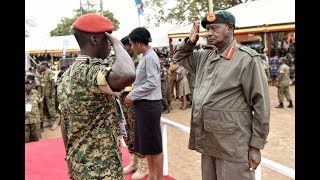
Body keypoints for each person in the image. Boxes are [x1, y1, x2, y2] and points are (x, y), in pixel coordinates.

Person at [173, 10, 270, 180]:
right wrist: (189, 42)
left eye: (214, 28)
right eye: (207, 29)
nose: (209, 33)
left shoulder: (246, 59)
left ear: (230, 28)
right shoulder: (206, 56)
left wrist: (256, 145)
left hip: (233, 146)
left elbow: (261, 104)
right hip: (209, 141)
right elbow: (180, 57)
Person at [57, 13, 136, 180]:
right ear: (94, 40)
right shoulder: (90, 71)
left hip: (79, 162)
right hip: (101, 169)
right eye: (107, 39)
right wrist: (118, 44)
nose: (109, 44)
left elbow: (64, 122)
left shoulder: (66, 75)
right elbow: (127, 73)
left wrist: (70, 160)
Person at [124, 27, 164, 180]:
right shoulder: (146, 57)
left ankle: (158, 177)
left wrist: (133, 94)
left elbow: (152, 83)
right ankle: (152, 176)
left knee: (154, 146)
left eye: (132, 44)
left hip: (149, 105)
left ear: (139, 43)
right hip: (144, 105)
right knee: (148, 146)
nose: (132, 47)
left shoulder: (150, 57)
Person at [119, 35, 149, 179]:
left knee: (138, 133)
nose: (124, 50)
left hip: (136, 102)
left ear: (131, 46)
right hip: (124, 101)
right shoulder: (123, 62)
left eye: (126, 46)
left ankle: (144, 165)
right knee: (128, 132)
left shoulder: (140, 62)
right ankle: (134, 161)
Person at [39, 61, 58, 130]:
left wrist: (52, 91)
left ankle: (54, 122)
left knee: (51, 108)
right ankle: (49, 121)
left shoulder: (49, 71)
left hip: (49, 94)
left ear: (44, 65)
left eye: (41, 65)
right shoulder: (43, 73)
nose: (40, 67)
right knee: (45, 108)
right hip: (44, 94)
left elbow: (53, 82)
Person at [25, 75, 43, 143]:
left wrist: (40, 119)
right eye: (26, 83)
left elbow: (40, 105)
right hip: (25, 122)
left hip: (35, 121)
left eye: (31, 83)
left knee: (35, 142)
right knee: (26, 142)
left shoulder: (35, 92)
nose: (29, 85)